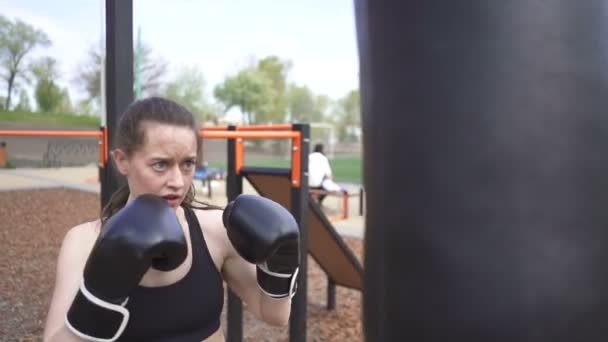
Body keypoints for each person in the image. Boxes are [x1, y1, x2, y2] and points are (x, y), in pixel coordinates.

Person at [43, 96, 300, 342]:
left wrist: (280, 265)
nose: (178, 182)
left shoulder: (215, 230)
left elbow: (275, 316)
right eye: (160, 165)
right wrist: (99, 296)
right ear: (122, 161)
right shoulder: (85, 242)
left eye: (187, 164)